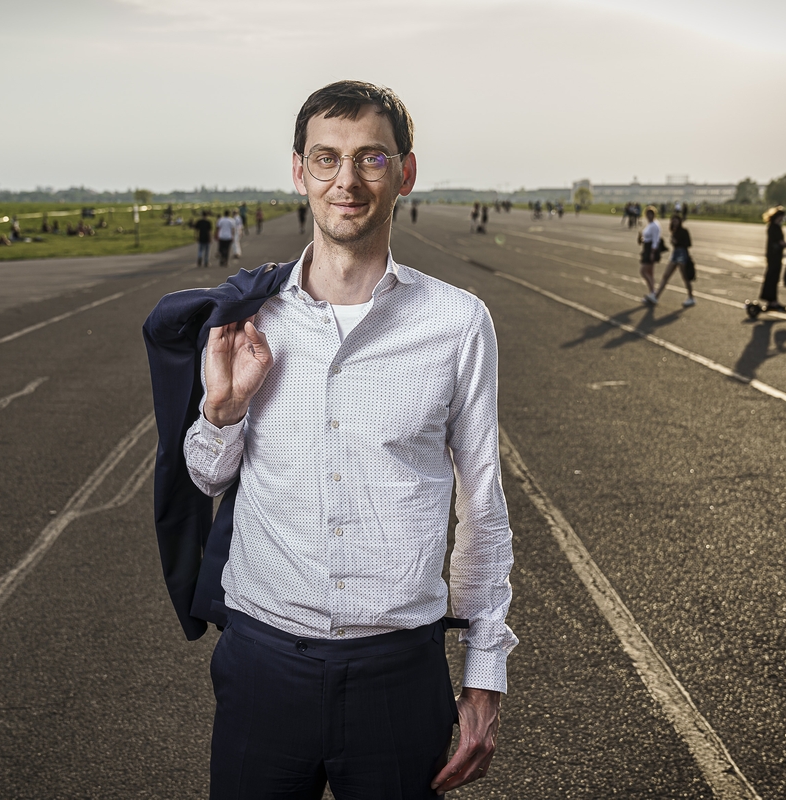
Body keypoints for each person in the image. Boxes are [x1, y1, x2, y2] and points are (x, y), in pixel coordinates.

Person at [146, 79, 515, 799]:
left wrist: (484, 675)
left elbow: (483, 508)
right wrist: (222, 413)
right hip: (262, 663)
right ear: (299, 171)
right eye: (326, 158)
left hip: (399, 674)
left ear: (405, 173)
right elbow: (206, 478)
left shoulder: (458, 322)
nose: (347, 181)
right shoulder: (248, 318)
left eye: (371, 158)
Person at [653, 214, 695, 307]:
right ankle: (656, 296)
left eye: (676, 220)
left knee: (685, 277)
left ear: (680, 221)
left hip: (682, 254)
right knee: (666, 275)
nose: (675, 222)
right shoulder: (674, 231)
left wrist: (677, 242)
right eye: (673, 220)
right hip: (675, 254)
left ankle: (691, 297)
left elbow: (688, 244)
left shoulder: (684, 231)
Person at [761, 206, 786, 310]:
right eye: (781, 217)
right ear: (777, 216)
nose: (782, 219)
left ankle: (772, 300)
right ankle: (772, 301)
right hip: (774, 256)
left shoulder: (772, 226)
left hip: (774, 255)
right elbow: (780, 241)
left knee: (772, 277)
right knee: (773, 277)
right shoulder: (775, 227)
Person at [639, 205, 661, 304]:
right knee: (650, 273)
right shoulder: (650, 224)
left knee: (643, 271)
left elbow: (655, 240)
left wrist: (652, 253)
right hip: (647, 248)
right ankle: (652, 293)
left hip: (650, 250)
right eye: (648, 214)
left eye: (651, 214)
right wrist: (642, 239)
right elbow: (648, 238)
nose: (649, 216)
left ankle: (653, 292)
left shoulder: (655, 225)